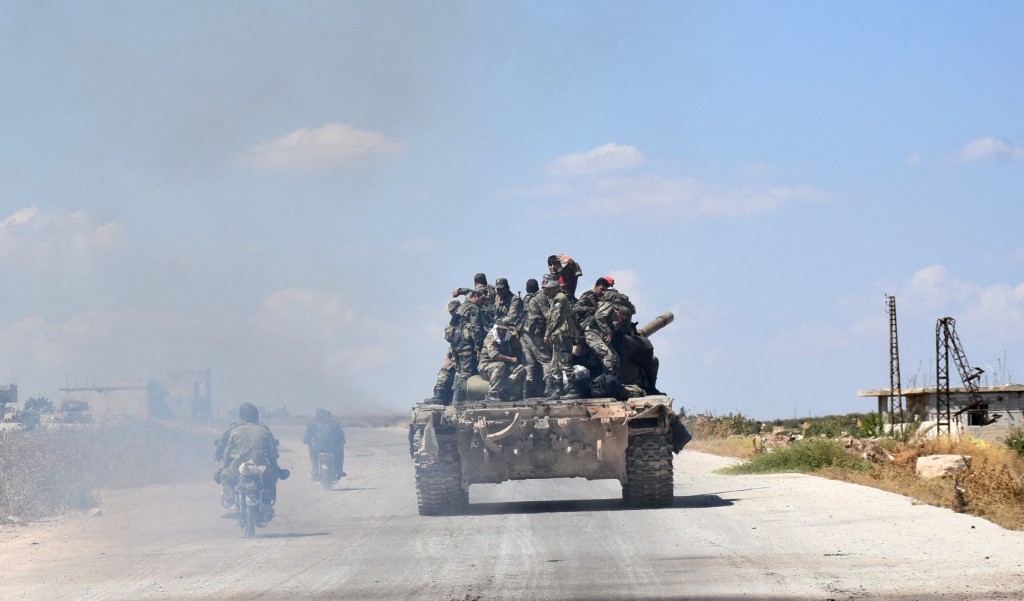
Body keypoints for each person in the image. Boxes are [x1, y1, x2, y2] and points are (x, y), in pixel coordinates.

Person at [217, 403, 289, 517]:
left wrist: (225, 466)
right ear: (257, 416)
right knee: (272, 477)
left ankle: (232, 505)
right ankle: (266, 503)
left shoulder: (235, 431)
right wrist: (275, 467)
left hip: (238, 467)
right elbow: (273, 453)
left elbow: (227, 452)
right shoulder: (264, 431)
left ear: (242, 417)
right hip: (260, 468)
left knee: (225, 476)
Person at [542, 279, 581, 399]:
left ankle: (573, 390)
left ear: (556, 289)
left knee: (565, 364)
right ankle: (557, 390)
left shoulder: (559, 298)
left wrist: (547, 333)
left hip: (562, 336)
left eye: (549, 289)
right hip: (558, 337)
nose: (547, 292)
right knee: (555, 365)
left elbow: (555, 317)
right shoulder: (557, 298)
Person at [450, 289, 487, 404]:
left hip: (456, 344)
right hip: (466, 344)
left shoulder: (461, 308)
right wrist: (478, 348)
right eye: (482, 300)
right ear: (475, 296)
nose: (482, 303)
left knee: (460, 372)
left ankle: (457, 397)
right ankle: (457, 400)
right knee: (465, 373)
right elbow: (476, 329)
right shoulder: (474, 309)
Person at [477, 317, 526, 401]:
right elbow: (495, 356)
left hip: (502, 368)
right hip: (486, 367)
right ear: (497, 328)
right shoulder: (491, 337)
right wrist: (511, 359)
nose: (503, 332)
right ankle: (492, 393)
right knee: (500, 365)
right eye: (501, 329)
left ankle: (502, 390)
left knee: (520, 368)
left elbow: (517, 347)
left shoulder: (507, 337)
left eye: (505, 330)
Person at [520, 278, 551, 398]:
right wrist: (547, 333)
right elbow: (548, 316)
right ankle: (549, 387)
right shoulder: (540, 298)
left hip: (524, 333)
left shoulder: (526, 298)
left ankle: (526, 391)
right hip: (535, 334)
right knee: (546, 360)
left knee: (529, 363)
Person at [429, 299, 462, 403]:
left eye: (454, 311)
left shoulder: (468, 321)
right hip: (456, 357)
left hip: (468, 358)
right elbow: (451, 341)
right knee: (445, 370)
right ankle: (439, 394)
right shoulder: (453, 324)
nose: (453, 313)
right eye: (451, 312)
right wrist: (449, 357)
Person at [303, 408, 346, 481]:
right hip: (333, 448)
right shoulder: (335, 423)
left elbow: (307, 437)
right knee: (340, 452)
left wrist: (307, 441)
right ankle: (339, 469)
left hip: (318, 448)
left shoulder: (313, 424)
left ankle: (315, 469)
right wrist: (341, 441)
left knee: (312, 452)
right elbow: (341, 435)